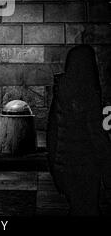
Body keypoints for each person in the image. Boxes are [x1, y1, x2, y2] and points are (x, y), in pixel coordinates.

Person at [47, 45, 111, 216]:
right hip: (86, 167)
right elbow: (99, 136)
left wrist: (54, 167)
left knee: (76, 209)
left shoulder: (61, 90)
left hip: (65, 168)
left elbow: (52, 132)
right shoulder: (89, 93)